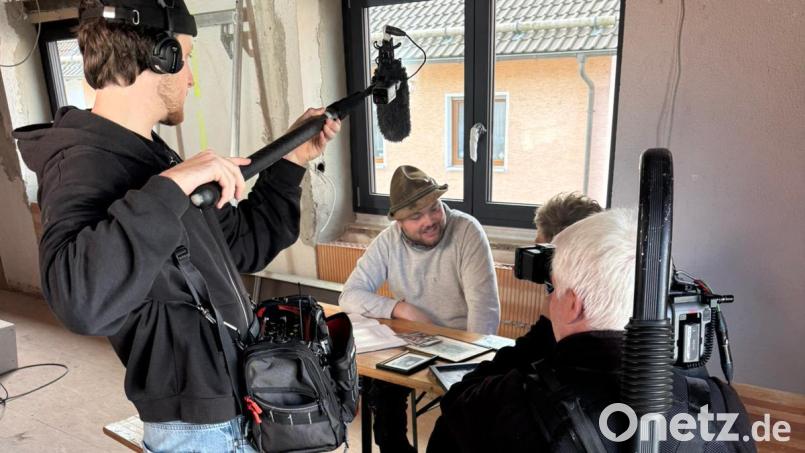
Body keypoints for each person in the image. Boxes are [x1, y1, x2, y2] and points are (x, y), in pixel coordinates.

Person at [13, 1, 339, 451]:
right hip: (199, 430)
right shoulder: (81, 165)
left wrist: (291, 160)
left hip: (237, 402)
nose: (191, 78)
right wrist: (171, 187)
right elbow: (79, 300)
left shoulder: (151, 156)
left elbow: (242, 244)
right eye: (185, 58)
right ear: (159, 56)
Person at [428, 209, 756, 452]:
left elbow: (456, 403)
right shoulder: (718, 403)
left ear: (573, 303)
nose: (550, 298)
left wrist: (549, 329)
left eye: (553, 289)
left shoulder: (506, 402)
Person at [339, 165, 500, 452]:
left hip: (462, 346)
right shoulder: (388, 241)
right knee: (382, 407)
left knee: (454, 431)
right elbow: (349, 295)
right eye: (416, 216)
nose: (429, 220)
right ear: (399, 222)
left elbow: (484, 312)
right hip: (413, 343)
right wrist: (401, 308)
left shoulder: (467, 231)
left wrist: (472, 368)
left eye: (434, 208)